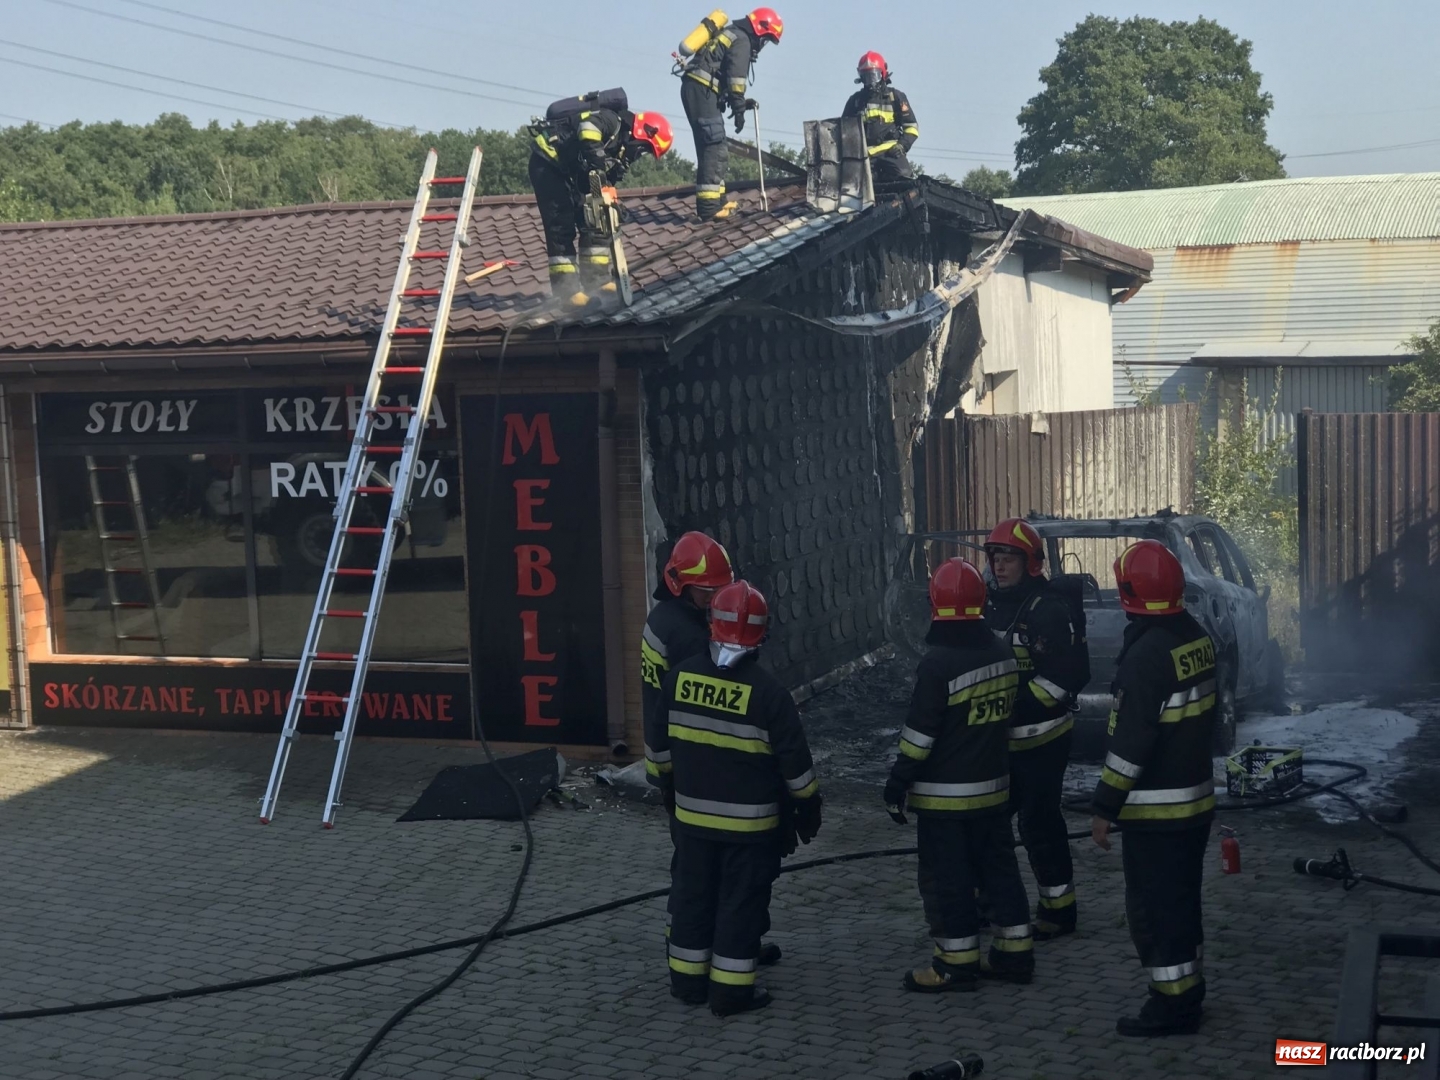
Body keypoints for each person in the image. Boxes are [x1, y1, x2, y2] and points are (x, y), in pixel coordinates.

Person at [651, 579, 821, 1016]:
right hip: (751, 830)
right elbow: (798, 773)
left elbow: (657, 756)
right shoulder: (769, 696)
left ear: (711, 623)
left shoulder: (678, 679)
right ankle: (730, 994)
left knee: (692, 898)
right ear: (761, 634)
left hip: (691, 825)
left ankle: (688, 985)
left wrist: (672, 794)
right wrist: (807, 812)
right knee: (739, 906)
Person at [884, 557, 1034, 992]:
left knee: (947, 881)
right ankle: (1014, 956)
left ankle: (955, 964)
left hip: (943, 802)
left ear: (935, 605)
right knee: (1000, 873)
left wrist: (896, 786)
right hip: (993, 795)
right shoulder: (1003, 654)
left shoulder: (938, 664)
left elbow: (918, 737)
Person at [1092, 539, 1216, 1036]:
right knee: (1181, 903)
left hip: (1155, 813)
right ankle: (1189, 990)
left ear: (1128, 592)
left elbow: (1130, 746)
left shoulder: (1146, 655)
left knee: (1153, 910)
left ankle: (1170, 1007)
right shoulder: (1196, 637)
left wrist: (1104, 807)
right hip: (1194, 803)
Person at [644, 531, 778, 967]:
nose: (718, 599)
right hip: (701, 767)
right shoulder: (688, 639)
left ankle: (690, 946)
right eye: (709, 592)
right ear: (682, 584)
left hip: (677, 761)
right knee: (712, 872)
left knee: (691, 867)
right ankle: (727, 947)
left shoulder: (661, 618)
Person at [983, 518, 1090, 939]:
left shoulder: (1049, 609)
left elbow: (1067, 678)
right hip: (998, 739)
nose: (999, 565)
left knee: (1039, 824)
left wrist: (1014, 708)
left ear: (1030, 563)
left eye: (1007, 556)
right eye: (994, 557)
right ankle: (986, 906)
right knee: (988, 826)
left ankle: (1059, 912)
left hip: (1042, 738)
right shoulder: (988, 604)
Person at [528, 96, 673, 305]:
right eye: (645, 148)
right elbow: (587, 129)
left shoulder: (620, 149)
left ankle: (595, 281)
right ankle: (566, 292)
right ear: (644, 132)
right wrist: (598, 164)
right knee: (561, 225)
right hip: (547, 163)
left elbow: (602, 182)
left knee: (594, 218)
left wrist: (612, 204)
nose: (641, 154)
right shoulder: (612, 120)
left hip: (571, 172)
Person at [678, 8, 784, 220]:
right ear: (760, 31)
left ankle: (718, 201)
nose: (763, 46)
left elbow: (722, 72)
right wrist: (738, 110)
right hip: (702, 90)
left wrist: (740, 103)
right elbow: (736, 79)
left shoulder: (731, 33)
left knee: (715, 146)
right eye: (766, 40)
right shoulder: (742, 39)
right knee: (713, 146)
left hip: (698, 89)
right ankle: (709, 208)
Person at [841, 51, 920, 185]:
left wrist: (901, 146)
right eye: (867, 77)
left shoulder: (895, 97)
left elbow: (911, 127)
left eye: (874, 76)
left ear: (883, 74)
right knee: (857, 187)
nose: (871, 82)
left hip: (891, 152)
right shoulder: (855, 101)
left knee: (904, 178)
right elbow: (844, 132)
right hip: (865, 157)